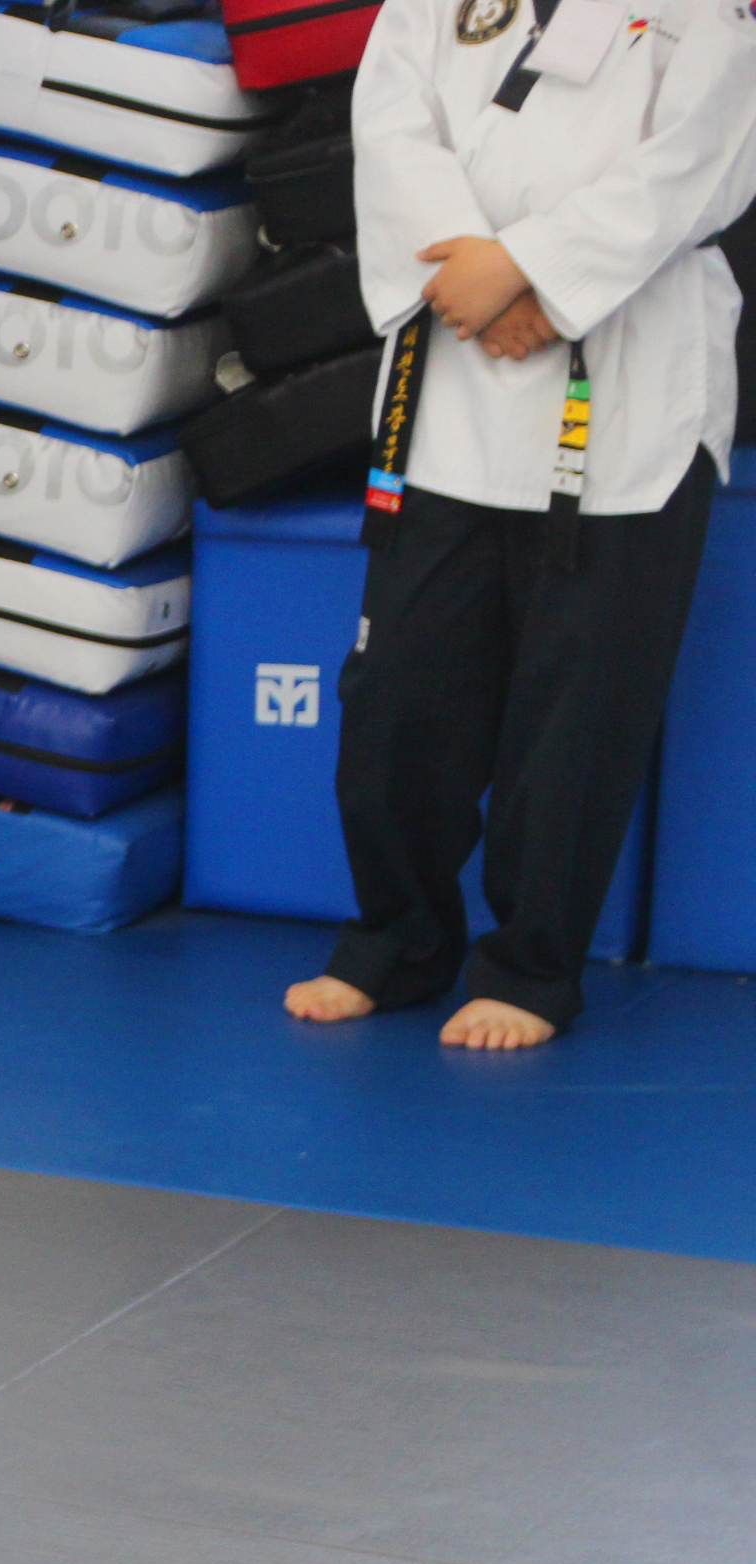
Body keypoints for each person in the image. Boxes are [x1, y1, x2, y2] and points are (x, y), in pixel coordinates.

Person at [282, 0, 756, 1049]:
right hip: (451, 380)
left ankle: (532, 968)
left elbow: (701, 164)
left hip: (623, 391)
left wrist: (535, 272)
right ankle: (397, 939)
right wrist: (479, 282)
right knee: (396, 699)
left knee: (574, 712)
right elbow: (390, 127)